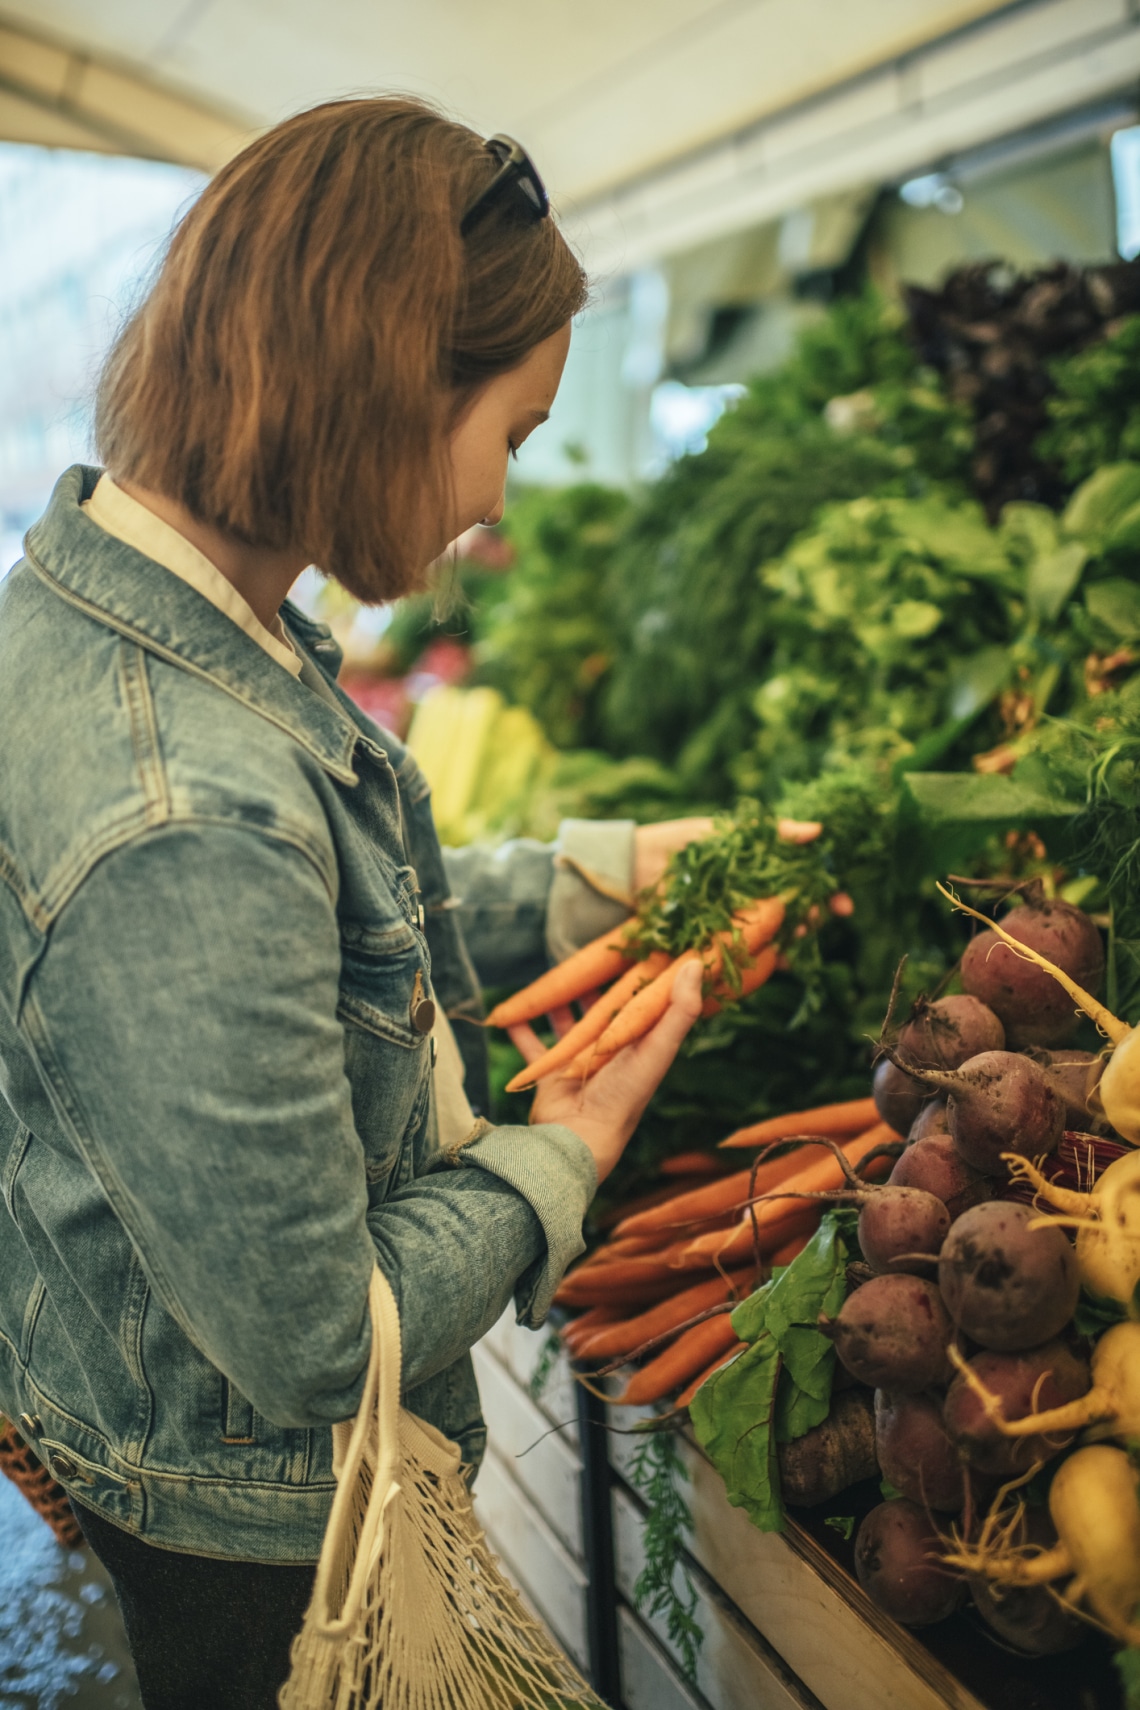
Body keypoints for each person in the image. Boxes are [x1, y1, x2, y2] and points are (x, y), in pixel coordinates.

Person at [0, 97, 712, 1709]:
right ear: (391, 385)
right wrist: (572, 1145)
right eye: (510, 438)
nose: (502, 508)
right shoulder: (176, 807)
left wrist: (605, 879)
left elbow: (332, 932)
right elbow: (325, 1336)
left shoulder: (149, 604)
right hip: (256, 1539)